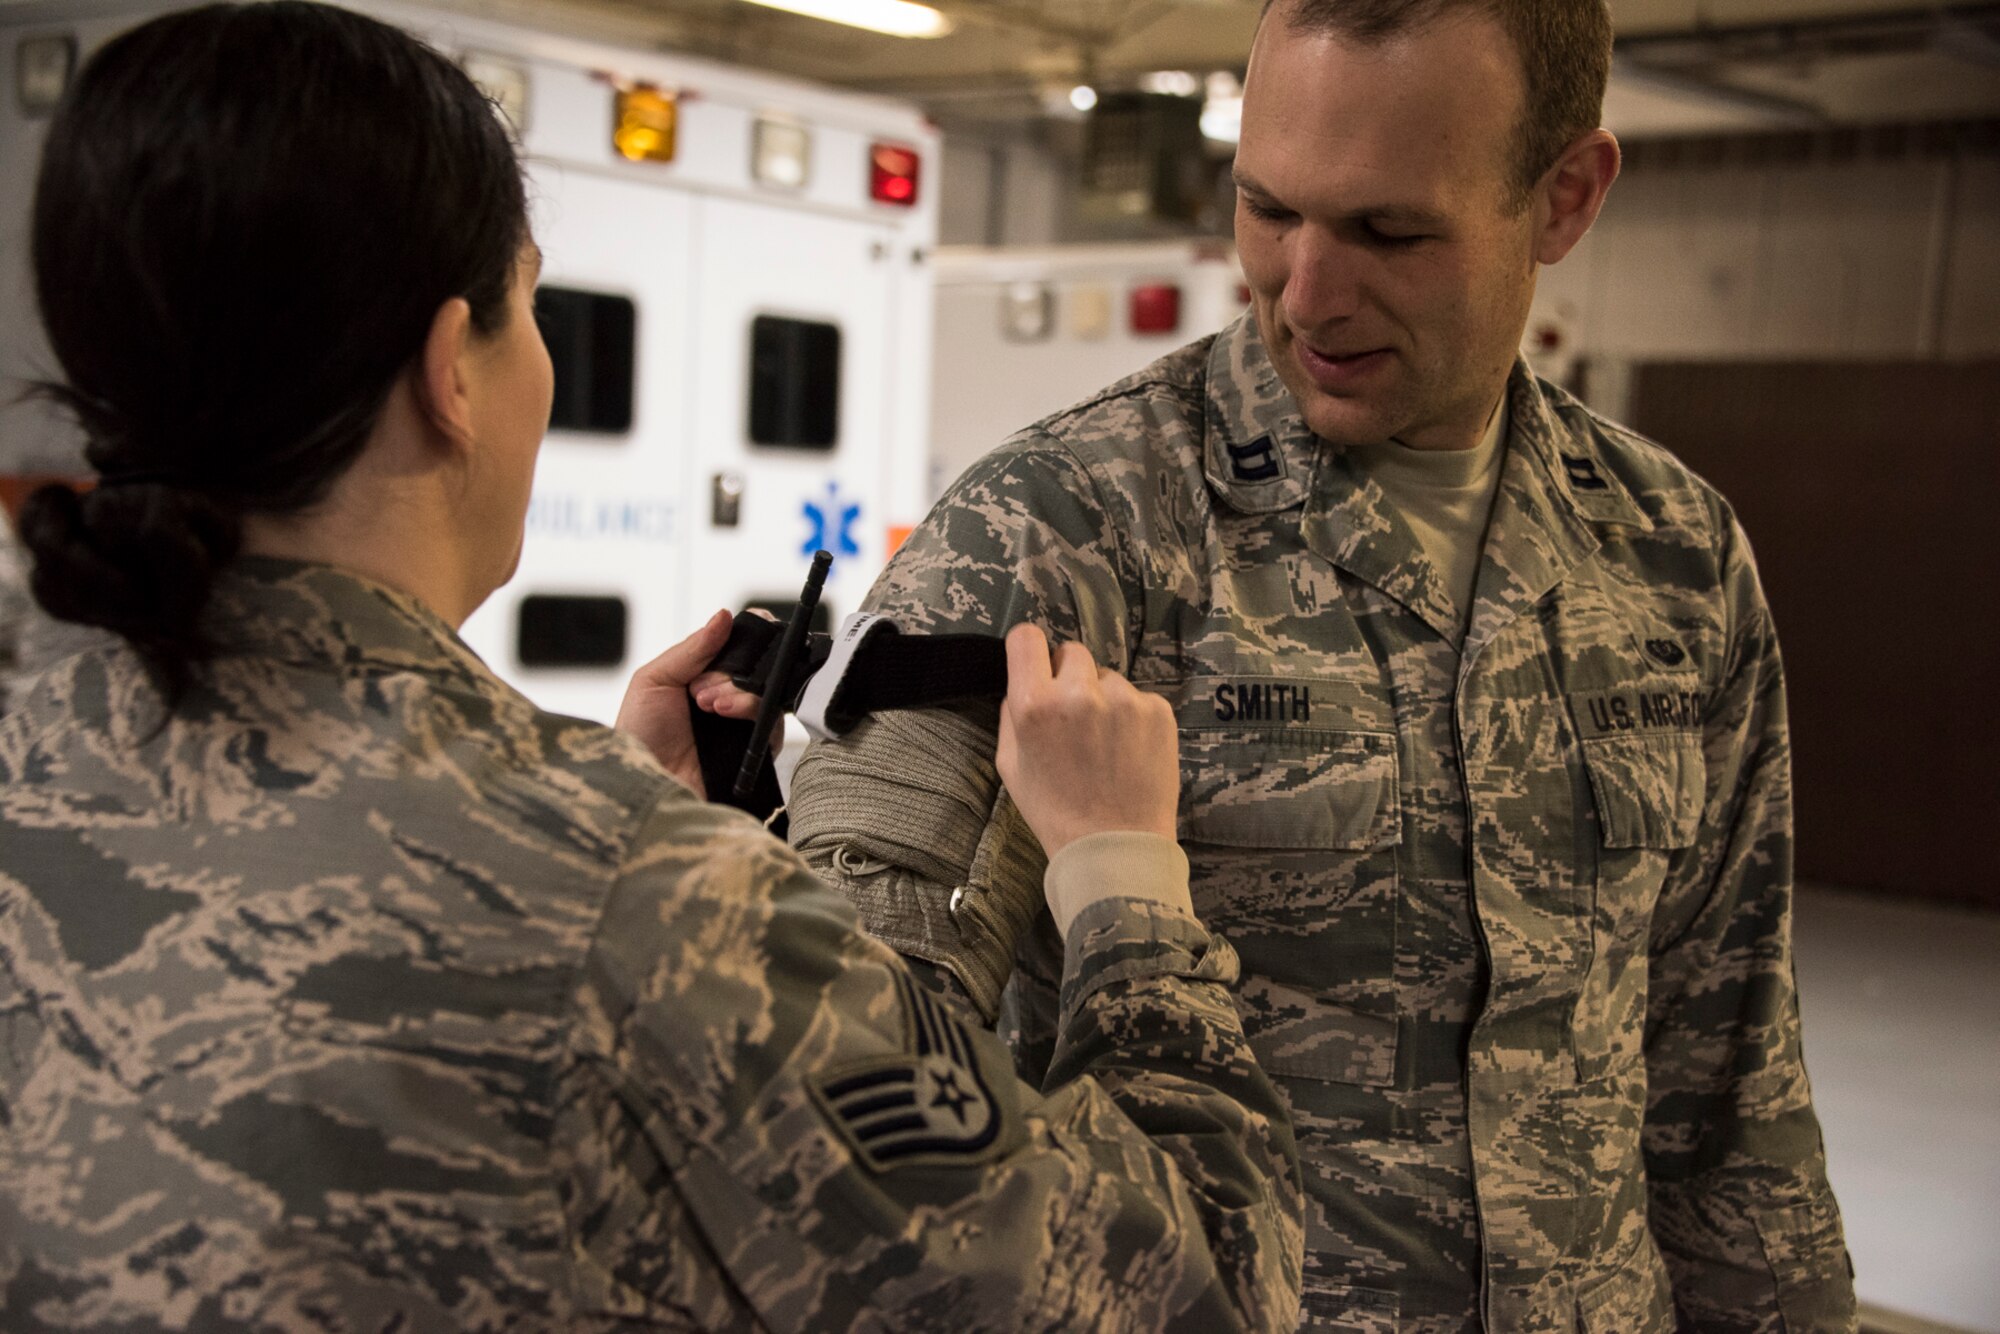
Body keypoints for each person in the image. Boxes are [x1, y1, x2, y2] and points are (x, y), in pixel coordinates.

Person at [0, 5, 1305, 1329]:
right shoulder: (635, 901)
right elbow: (1194, 1293)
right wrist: (1121, 876)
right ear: (452, 369)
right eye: (531, 304)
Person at [787, 0, 1857, 1328]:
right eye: (1268, 209)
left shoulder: (1672, 555)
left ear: (1566, 197)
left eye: (1388, 232)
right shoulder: (1061, 534)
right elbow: (851, 1057)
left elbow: (1731, 1084)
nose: (1306, 291)